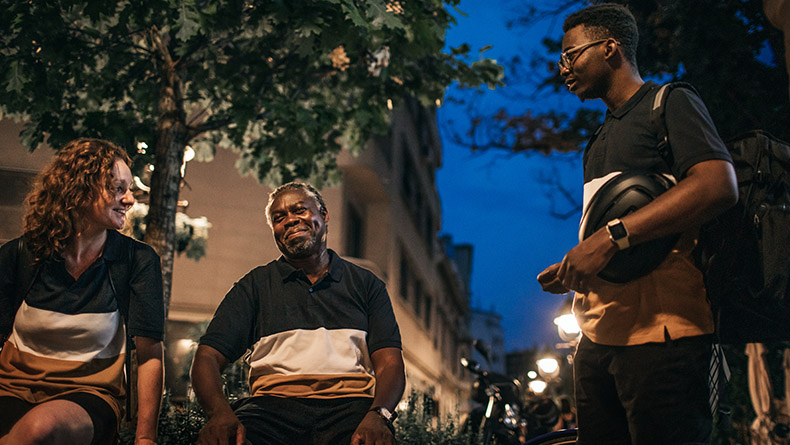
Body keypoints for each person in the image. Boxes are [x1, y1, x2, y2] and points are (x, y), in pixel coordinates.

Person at [537, 4, 738, 444]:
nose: (563, 68)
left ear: (610, 48)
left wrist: (611, 239)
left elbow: (718, 184)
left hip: (665, 336)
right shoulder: (599, 139)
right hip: (595, 341)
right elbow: (614, 227)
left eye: (572, 54)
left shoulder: (670, 101)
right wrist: (578, 263)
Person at [191, 182, 405, 445]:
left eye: (300, 210)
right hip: (269, 410)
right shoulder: (255, 286)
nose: (290, 220)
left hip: (350, 409)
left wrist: (379, 415)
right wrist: (219, 414)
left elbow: (390, 364)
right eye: (279, 218)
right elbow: (207, 357)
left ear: (324, 215)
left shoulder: (366, 285)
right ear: (275, 232)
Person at [0, 138, 165, 444]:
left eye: (129, 189)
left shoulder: (137, 261)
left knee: (41, 429)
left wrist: (146, 438)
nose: (130, 199)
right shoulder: (19, 255)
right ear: (80, 189)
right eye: (119, 188)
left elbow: (150, 354)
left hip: (90, 397)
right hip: (10, 390)